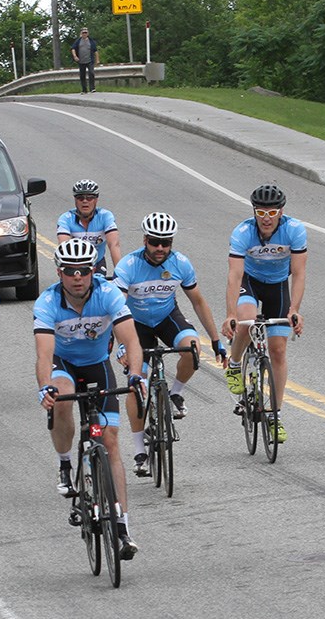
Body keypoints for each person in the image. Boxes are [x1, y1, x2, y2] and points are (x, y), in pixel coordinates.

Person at [34, 238, 145, 559]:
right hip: (63, 364)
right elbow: (44, 355)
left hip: (97, 365)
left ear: (93, 271)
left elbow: (131, 341)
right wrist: (45, 386)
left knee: (110, 441)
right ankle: (65, 462)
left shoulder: (108, 293)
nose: (77, 277)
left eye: (83, 270)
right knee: (62, 397)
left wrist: (135, 375)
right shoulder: (47, 302)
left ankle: (123, 528)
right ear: (59, 272)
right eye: (70, 271)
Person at [113, 212, 226, 476]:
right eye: (155, 242)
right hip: (135, 324)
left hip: (166, 318)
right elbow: (116, 310)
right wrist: (122, 346)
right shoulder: (128, 266)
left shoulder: (181, 263)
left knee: (192, 349)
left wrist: (216, 340)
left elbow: (198, 302)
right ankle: (139, 450)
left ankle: (175, 393)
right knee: (136, 383)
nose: (160, 248)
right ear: (145, 240)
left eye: (166, 243)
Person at [221, 184, 307, 444]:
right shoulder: (243, 233)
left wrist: (294, 310)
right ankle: (235, 364)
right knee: (246, 321)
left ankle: (275, 415)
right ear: (254, 212)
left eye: (271, 212)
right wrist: (230, 314)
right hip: (249, 281)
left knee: (278, 350)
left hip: (277, 285)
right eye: (260, 212)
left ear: (281, 212)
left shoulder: (294, 230)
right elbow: (234, 275)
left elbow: (299, 274)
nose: (266, 218)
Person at [56, 179, 122, 277]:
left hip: (97, 263)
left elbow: (114, 245)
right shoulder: (66, 219)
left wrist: (120, 275)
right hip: (74, 265)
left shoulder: (105, 216)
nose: (85, 201)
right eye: (80, 198)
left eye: (90, 198)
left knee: (99, 284)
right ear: (75, 200)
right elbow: (64, 247)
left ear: (96, 200)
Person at [70, 27, 98, 93]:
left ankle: (92, 88)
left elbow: (95, 51)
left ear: (88, 33)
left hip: (90, 60)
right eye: (83, 33)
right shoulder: (78, 41)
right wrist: (75, 56)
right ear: (81, 33)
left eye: (86, 32)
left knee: (91, 73)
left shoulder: (91, 41)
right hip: (81, 61)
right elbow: (73, 49)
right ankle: (84, 89)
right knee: (82, 75)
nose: (84, 34)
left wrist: (97, 60)